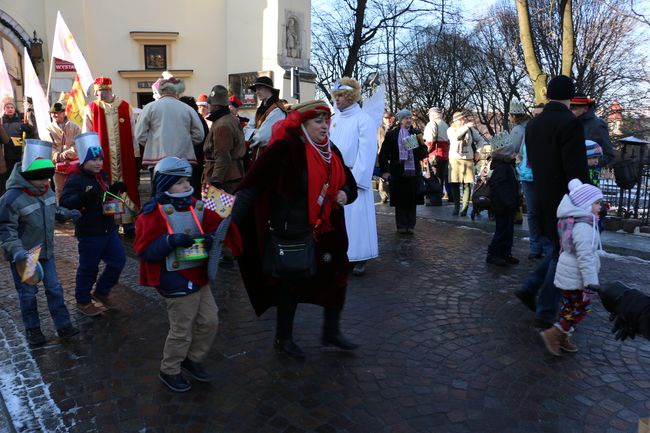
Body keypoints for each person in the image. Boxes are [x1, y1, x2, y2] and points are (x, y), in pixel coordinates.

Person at [232, 100, 358, 359]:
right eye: (318, 121)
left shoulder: (331, 150)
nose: (325, 126)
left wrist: (345, 193)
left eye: (326, 120)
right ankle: (283, 338)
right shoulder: (284, 149)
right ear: (303, 124)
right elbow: (251, 186)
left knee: (337, 277)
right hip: (295, 232)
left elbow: (351, 184)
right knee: (291, 284)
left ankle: (331, 331)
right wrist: (225, 222)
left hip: (329, 230)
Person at [134, 157, 240, 392]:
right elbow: (145, 251)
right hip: (175, 279)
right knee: (181, 330)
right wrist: (169, 241)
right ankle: (169, 369)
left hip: (200, 276)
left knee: (209, 321)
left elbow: (216, 226)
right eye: (179, 182)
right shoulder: (153, 212)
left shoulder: (197, 205)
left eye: (186, 180)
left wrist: (213, 237)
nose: (185, 185)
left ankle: (192, 359)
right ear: (165, 183)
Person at [513, 75, 590, 330]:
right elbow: (575, 167)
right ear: (570, 95)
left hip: (543, 191)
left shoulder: (534, 125)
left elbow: (532, 160)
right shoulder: (570, 123)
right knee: (564, 250)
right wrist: (585, 197)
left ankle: (530, 287)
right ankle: (546, 309)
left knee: (558, 247)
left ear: (547, 95)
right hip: (566, 195)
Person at [0, 139, 79, 345]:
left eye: (48, 179)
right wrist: (17, 252)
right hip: (26, 256)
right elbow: (5, 230)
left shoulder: (46, 189)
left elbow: (52, 210)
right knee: (28, 293)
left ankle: (63, 325)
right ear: (28, 178)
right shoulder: (11, 198)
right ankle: (33, 329)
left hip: (46, 252)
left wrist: (66, 213)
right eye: (41, 179)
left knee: (54, 288)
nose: (46, 183)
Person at [60, 132, 127, 317]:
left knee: (118, 261)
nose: (98, 163)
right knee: (89, 267)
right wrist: (82, 197)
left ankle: (102, 291)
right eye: (93, 160)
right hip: (90, 231)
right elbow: (64, 202)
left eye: (100, 159)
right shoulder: (76, 178)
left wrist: (114, 190)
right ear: (84, 161)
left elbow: (104, 197)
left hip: (108, 227)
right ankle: (83, 300)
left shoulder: (102, 175)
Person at [540, 179, 603, 355]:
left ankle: (563, 336)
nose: (600, 207)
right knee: (581, 308)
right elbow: (585, 257)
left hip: (570, 274)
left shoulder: (578, 221)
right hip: (577, 277)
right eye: (597, 203)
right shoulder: (584, 227)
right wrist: (591, 283)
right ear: (585, 205)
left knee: (569, 307)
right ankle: (555, 333)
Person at [329, 77, 378, 276]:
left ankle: (360, 256)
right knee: (339, 220)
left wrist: (354, 180)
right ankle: (342, 254)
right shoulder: (334, 119)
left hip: (353, 177)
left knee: (357, 219)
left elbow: (366, 153)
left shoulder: (363, 119)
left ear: (351, 97)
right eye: (336, 96)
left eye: (341, 96)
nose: (337, 100)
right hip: (336, 175)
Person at [83, 76, 140, 232]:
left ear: (110, 90)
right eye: (99, 91)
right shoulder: (90, 109)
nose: (101, 94)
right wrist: (87, 158)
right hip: (101, 158)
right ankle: (111, 221)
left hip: (125, 155)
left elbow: (134, 132)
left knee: (127, 185)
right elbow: (86, 135)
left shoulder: (125, 107)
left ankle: (128, 222)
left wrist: (136, 155)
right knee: (105, 186)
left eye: (104, 91)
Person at [136, 76, 205, 172]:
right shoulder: (188, 109)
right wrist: (185, 143)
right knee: (182, 186)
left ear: (160, 91)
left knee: (161, 186)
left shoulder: (150, 107)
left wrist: (154, 144)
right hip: (183, 160)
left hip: (157, 161)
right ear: (177, 91)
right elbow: (199, 135)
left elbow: (140, 134)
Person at [379, 109, 429, 234]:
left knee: (412, 199)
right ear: (400, 120)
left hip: (413, 172)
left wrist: (416, 147)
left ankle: (411, 225)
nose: (409, 120)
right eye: (406, 118)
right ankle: (401, 226)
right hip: (398, 172)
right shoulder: (392, 134)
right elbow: (383, 153)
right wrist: (385, 170)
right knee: (400, 199)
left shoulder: (416, 133)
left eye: (410, 118)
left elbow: (424, 151)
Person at [202, 85, 246, 194]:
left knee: (221, 210)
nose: (209, 105)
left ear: (216, 105)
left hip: (226, 179)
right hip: (231, 175)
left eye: (210, 103)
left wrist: (216, 182)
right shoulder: (228, 119)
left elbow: (223, 156)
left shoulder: (222, 125)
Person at [485, 146, 519, 266]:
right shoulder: (502, 168)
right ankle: (494, 254)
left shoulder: (507, 166)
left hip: (507, 204)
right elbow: (501, 188)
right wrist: (509, 202)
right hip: (503, 205)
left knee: (507, 230)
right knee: (502, 230)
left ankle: (505, 253)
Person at [447, 112, 485, 217]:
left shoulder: (471, 130)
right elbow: (456, 137)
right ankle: (456, 206)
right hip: (455, 159)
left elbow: (481, 140)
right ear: (455, 121)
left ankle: (464, 208)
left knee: (467, 184)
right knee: (454, 183)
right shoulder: (451, 130)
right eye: (460, 119)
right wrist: (465, 127)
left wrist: (478, 152)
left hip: (468, 159)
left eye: (463, 119)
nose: (462, 121)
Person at [47, 102, 81, 203]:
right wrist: (58, 156)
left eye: (57, 112)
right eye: (52, 113)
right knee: (59, 190)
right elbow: (49, 146)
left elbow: (79, 143)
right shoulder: (48, 129)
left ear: (63, 113)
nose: (54, 115)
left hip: (74, 165)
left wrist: (68, 153)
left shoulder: (75, 127)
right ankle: (62, 212)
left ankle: (75, 212)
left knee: (75, 188)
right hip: (58, 167)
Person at [570, 93, 615, 169]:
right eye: (569, 108)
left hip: (587, 175)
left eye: (573, 108)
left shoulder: (598, 125)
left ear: (585, 108)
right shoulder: (569, 122)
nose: (570, 111)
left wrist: (591, 164)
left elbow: (608, 155)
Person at [247, 76, 287, 162]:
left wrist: (252, 135)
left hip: (271, 156)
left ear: (269, 89)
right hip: (258, 154)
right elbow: (246, 129)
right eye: (256, 90)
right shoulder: (260, 109)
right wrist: (255, 132)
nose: (257, 92)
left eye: (259, 89)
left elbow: (262, 137)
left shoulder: (277, 110)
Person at [2, 97, 36, 193]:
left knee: (18, 174)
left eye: (11, 107)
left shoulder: (20, 121)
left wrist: (28, 128)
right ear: (4, 109)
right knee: (7, 176)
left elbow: (31, 133)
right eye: (7, 107)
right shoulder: (1, 121)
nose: (9, 109)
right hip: (6, 154)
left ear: (14, 109)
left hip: (18, 154)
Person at [179, 96, 209, 197]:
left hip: (192, 157)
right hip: (198, 158)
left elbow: (200, 137)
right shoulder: (199, 118)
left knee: (191, 186)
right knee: (195, 186)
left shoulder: (191, 119)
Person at [423, 107, 450, 204]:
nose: (429, 117)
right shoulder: (445, 124)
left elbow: (429, 141)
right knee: (440, 178)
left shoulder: (431, 124)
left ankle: (433, 199)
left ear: (433, 115)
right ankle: (438, 199)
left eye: (430, 115)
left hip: (434, 155)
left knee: (432, 178)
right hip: (444, 155)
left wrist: (424, 153)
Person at [376, 111, 394, 204]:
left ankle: (392, 193)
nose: (389, 120)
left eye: (390, 118)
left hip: (392, 156)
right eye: (386, 118)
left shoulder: (394, 128)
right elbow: (378, 142)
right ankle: (384, 195)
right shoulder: (379, 129)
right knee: (383, 176)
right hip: (382, 155)